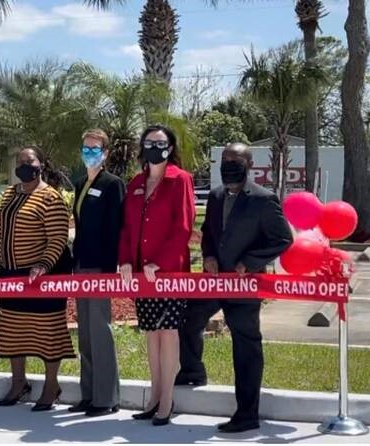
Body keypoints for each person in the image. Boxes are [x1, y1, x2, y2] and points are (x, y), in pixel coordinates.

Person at [176, 143, 292, 433]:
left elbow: (282, 239)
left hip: (243, 285)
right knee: (188, 319)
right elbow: (208, 234)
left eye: (236, 160)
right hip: (213, 282)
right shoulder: (215, 196)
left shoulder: (264, 200)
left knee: (246, 348)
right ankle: (192, 371)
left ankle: (247, 414)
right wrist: (209, 255)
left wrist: (250, 262)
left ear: (249, 165)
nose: (229, 164)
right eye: (225, 159)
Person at [119, 124, 196, 426]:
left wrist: (160, 263)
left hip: (169, 272)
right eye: (149, 142)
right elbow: (126, 227)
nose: (154, 147)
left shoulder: (181, 180)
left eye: (160, 142)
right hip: (141, 274)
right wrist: (126, 261)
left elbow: (184, 226)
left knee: (168, 333)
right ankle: (153, 396)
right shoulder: (136, 182)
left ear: (170, 147)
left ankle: (167, 400)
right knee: (151, 333)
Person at [0, 146, 75, 412]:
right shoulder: (8, 194)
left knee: (47, 333)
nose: (23, 166)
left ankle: (52, 385)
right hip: (11, 275)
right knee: (14, 332)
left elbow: (58, 238)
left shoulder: (51, 197)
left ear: (41, 164)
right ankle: (19, 383)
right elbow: (0, 229)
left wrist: (42, 264)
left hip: (43, 276)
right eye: (19, 162)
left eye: (29, 162)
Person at [68, 129, 125, 417]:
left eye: (95, 148)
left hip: (100, 267)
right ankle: (89, 394)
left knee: (101, 332)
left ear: (105, 153)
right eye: (85, 147)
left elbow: (116, 229)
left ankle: (107, 398)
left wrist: (110, 267)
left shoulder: (112, 184)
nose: (89, 152)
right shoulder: (80, 184)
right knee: (86, 335)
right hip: (81, 264)